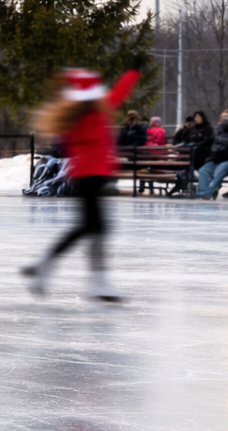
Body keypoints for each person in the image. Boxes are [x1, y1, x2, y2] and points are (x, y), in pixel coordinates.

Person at [19, 65, 140, 301]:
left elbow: (118, 94)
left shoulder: (93, 110)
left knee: (89, 227)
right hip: (87, 175)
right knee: (95, 227)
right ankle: (95, 283)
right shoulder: (80, 116)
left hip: (92, 174)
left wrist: (133, 72)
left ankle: (45, 266)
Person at [196, 109, 228, 199]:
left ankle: (208, 193)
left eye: (227, 116)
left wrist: (221, 142)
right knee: (203, 170)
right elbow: (214, 144)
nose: (224, 119)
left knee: (218, 172)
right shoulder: (218, 130)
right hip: (216, 158)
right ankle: (202, 191)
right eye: (222, 117)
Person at [172, 111, 213, 185]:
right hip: (190, 153)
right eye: (196, 117)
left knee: (194, 164)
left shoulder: (207, 128)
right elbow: (184, 139)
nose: (197, 118)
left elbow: (208, 140)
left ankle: (187, 178)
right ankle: (186, 179)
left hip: (201, 152)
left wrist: (197, 141)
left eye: (198, 117)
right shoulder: (192, 128)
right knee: (188, 163)